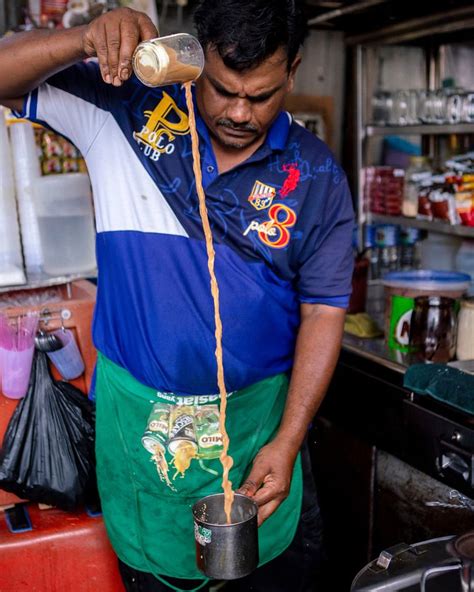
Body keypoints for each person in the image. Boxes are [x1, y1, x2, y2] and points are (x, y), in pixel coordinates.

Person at [0, 1, 354, 590]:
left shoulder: (314, 176)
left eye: (262, 95)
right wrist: (85, 38)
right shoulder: (123, 111)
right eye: (222, 89)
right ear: (194, 59)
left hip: (258, 430)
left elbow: (323, 309)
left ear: (292, 71)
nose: (240, 112)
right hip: (141, 432)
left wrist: (289, 440)